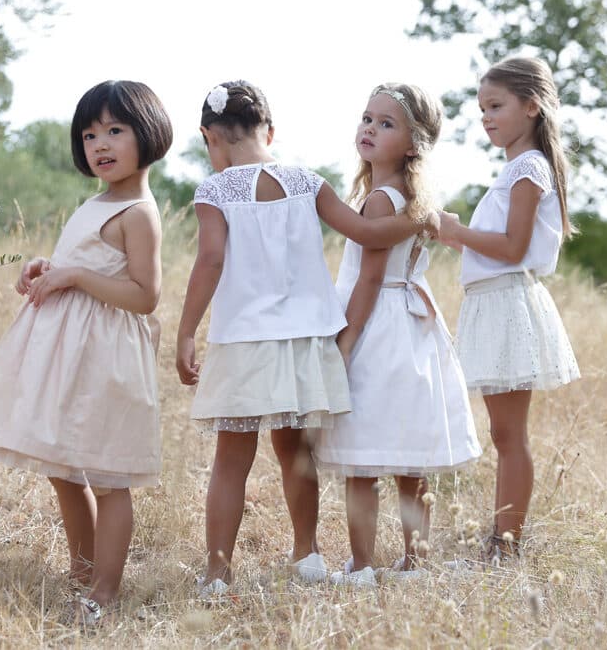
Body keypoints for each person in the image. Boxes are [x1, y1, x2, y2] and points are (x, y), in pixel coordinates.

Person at [176, 80, 435, 599]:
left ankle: (217, 573)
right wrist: (421, 216)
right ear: (269, 131)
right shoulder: (306, 181)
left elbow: (210, 260)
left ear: (211, 138)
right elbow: (363, 234)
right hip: (306, 339)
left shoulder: (215, 189)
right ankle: (307, 553)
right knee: (295, 452)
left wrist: (186, 330)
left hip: (246, 339)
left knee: (232, 457)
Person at [0, 80, 171, 623]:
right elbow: (86, 261)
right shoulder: (97, 201)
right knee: (62, 465)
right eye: (89, 134)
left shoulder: (138, 213)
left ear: (147, 135)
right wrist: (47, 267)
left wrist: (75, 275)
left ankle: (104, 590)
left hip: (107, 358)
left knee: (108, 474)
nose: (100, 143)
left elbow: (145, 296)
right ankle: (82, 571)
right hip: (70, 353)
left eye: (115, 130)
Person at [315, 83, 481, 587]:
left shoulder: (379, 203)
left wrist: (346, 342)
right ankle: (415, 561)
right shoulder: (416, 199)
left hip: (379, 328)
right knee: (411, 458)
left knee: (362, 459)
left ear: (412, 144)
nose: (369, 128)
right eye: (367, 118)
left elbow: (368, 280)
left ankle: (363, 566)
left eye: (386, 123)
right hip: (415, 329)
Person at [438, 56, 579, 562]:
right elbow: (492, 249)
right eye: (482, 110)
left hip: (508, 306)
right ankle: (502, 539)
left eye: (496, 106)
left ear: (531, 106)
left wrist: (454, 231)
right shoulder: (515, 168)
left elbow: (514, 247)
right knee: (503, 432)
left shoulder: (528, 167)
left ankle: (506, 543)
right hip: (493, 302)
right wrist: (454, 238)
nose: (487, 118)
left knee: (509, 434)